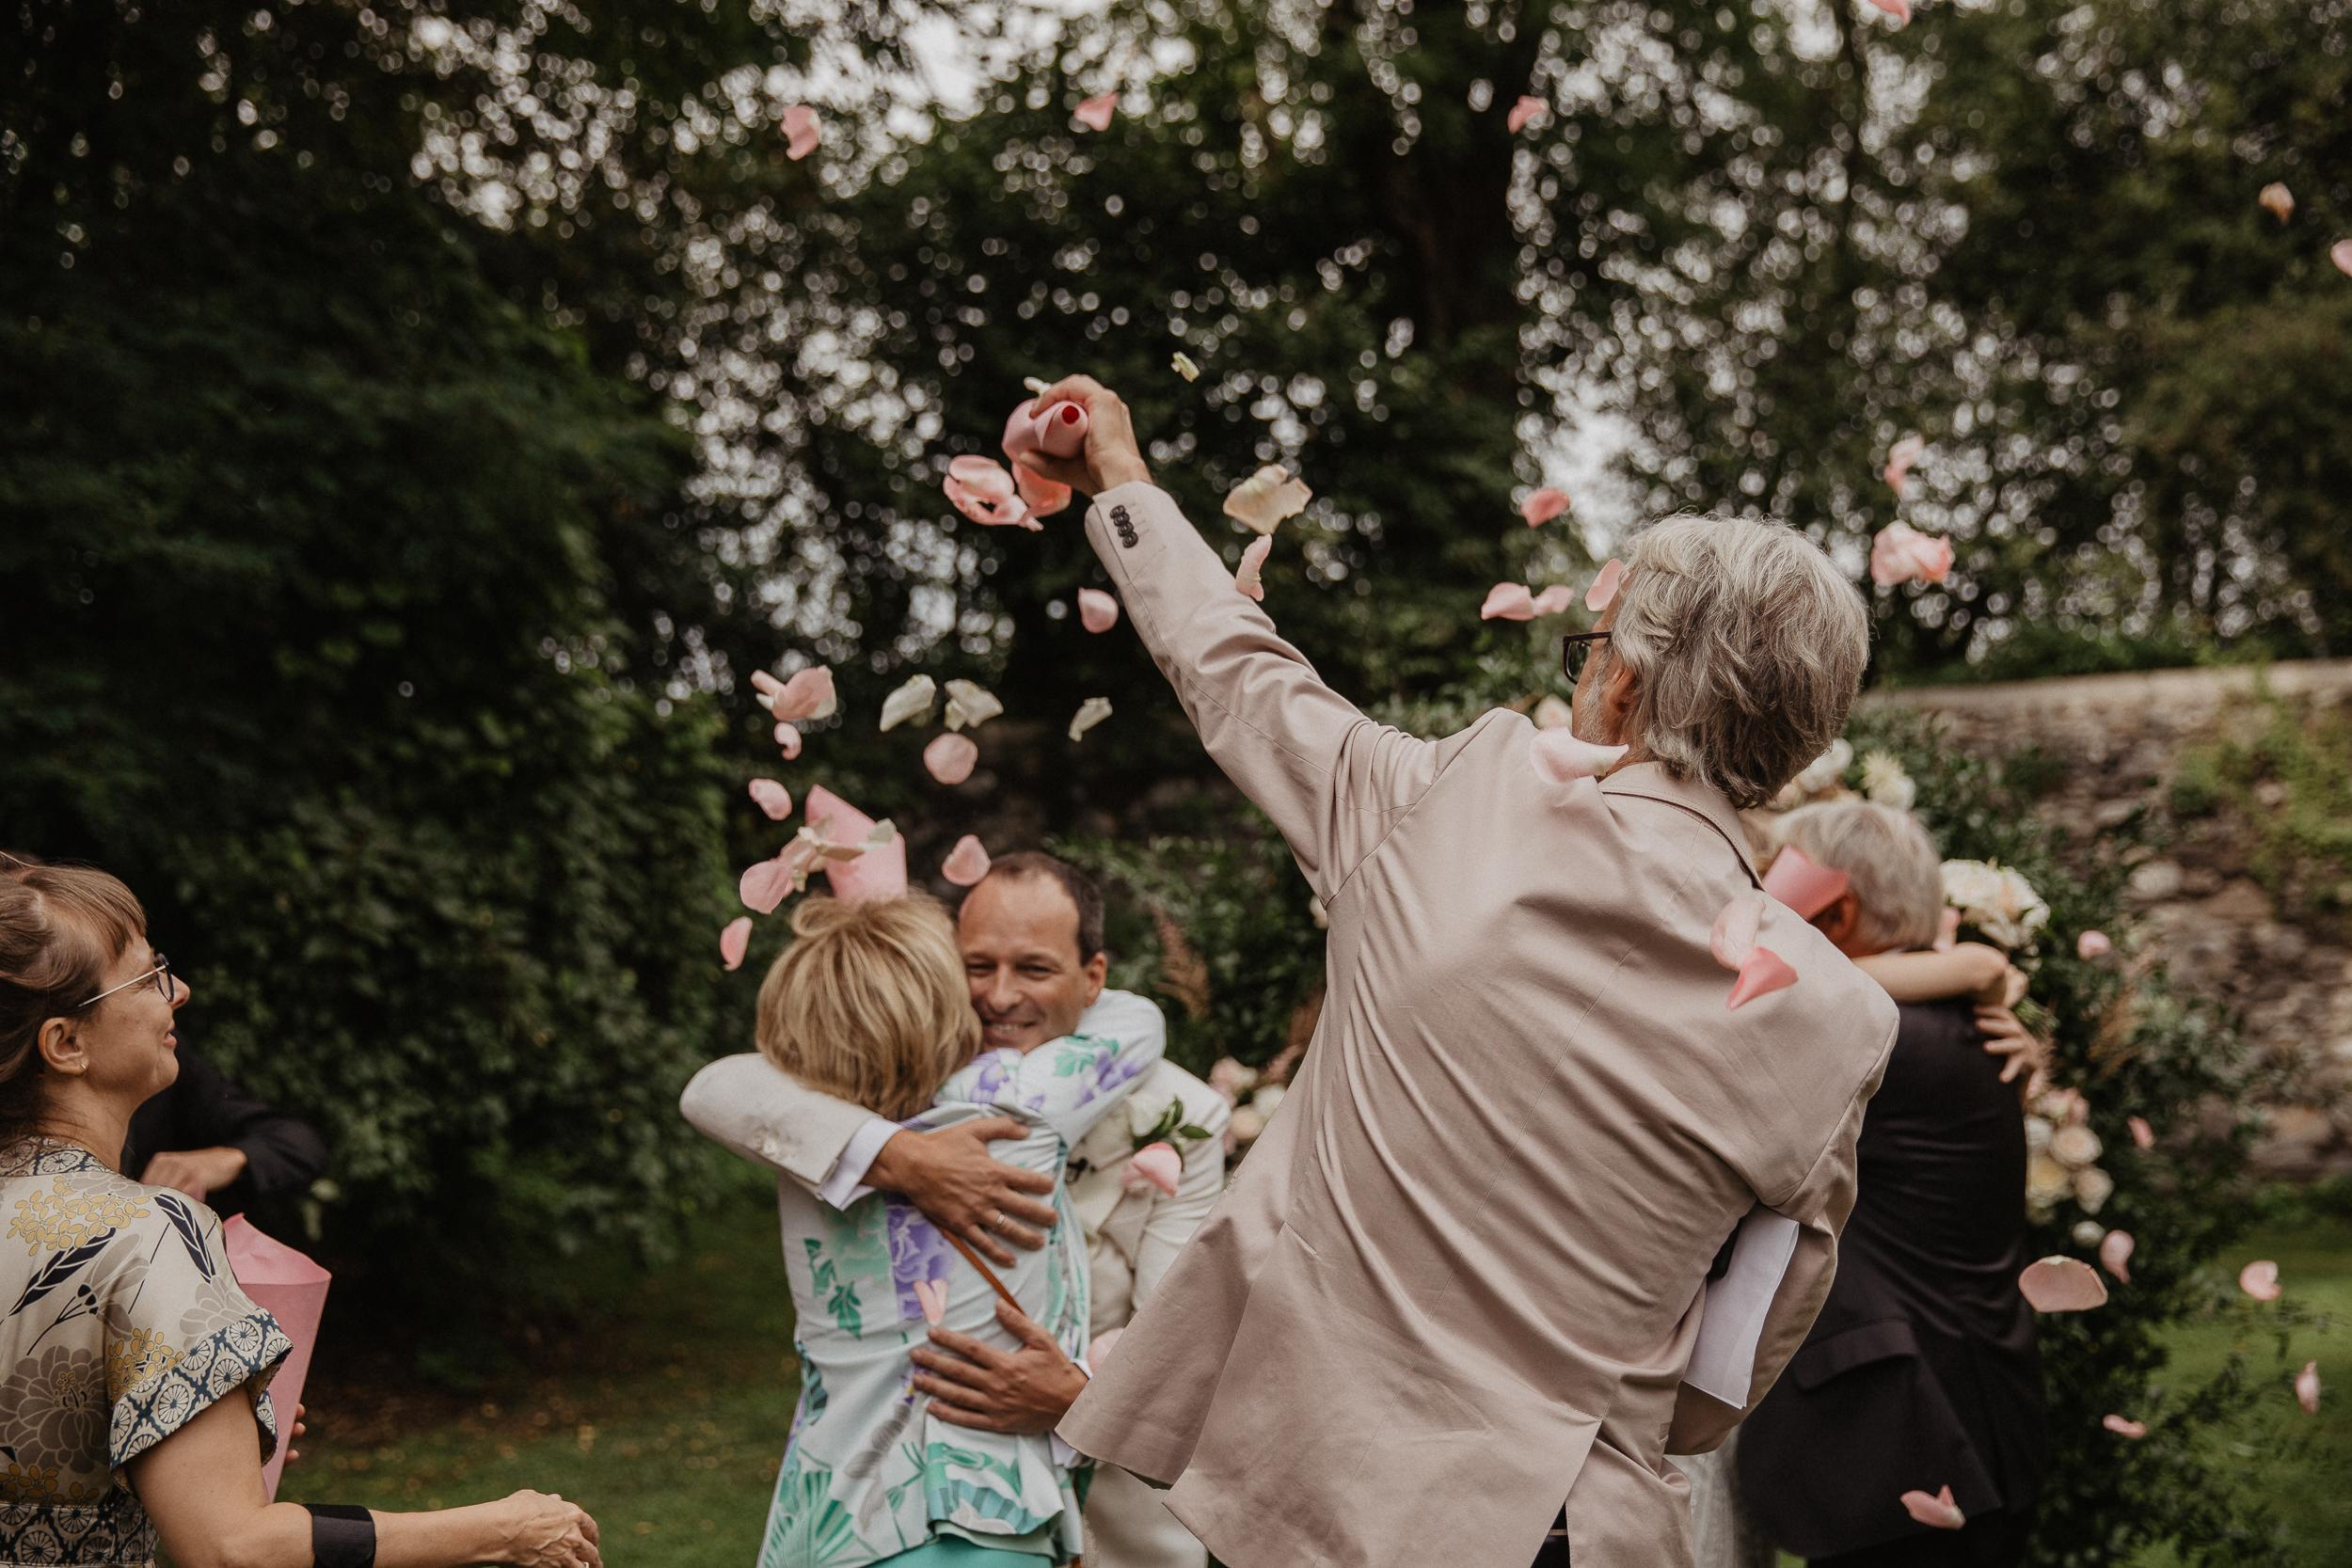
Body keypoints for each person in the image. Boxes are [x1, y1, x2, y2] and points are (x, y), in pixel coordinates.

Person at [1006, 374, 1899, 1568]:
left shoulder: (1458, 799)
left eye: (1590, 649)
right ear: (1795, 745)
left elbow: (1237, 676)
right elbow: (1744, 1342)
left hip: (1312, 1486)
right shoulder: (1842, 1016)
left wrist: (1116, 474)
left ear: (1620, 683)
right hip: (1570, 1525)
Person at [0, 851, 600, 1568]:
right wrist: (503, 1528)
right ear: (66, 1043)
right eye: (149, 973)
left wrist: (200, 1433)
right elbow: (231, 1547)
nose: (180, 991)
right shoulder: (146, 1230)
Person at [684, 853, 1226, 1568]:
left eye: (1033, 969)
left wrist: (1081, 1399)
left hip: (1093, 1516)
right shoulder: (990, 1103)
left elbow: (1184, 1354)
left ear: (1093, 976)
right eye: (977, 966)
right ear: (944, 970)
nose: (1000, 996)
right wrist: (901, 1157)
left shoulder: (1181, 1115)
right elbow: (719, 1089)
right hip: (981, 1517)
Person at [1737, 804, 2047, 1567]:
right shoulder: (1949, 1022)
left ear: (1837, 910)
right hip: (1968, 1413)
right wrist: (1980, 966)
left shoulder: (1876, 1034)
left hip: (1909, 1429)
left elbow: (1733, 1001)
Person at [123, 1041, 328, 1219]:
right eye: (145, 992)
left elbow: (299, 1143)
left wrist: (224, 1159)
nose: (180, 995)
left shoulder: (171, 1064)